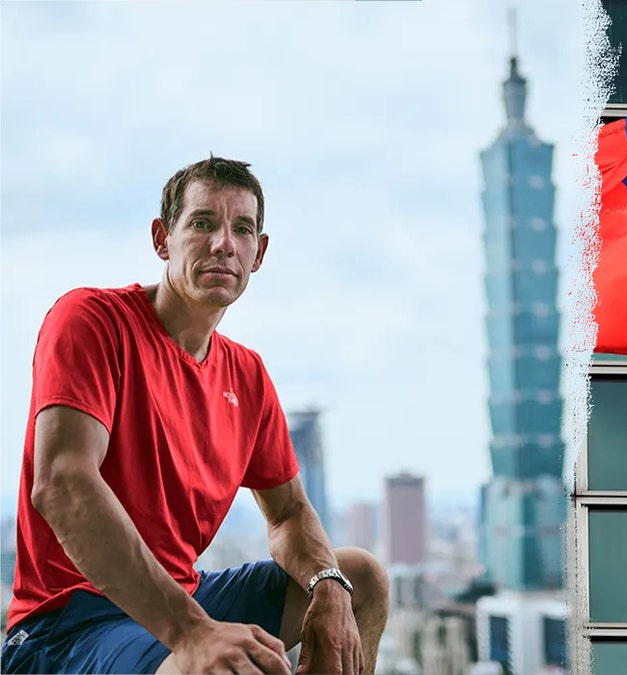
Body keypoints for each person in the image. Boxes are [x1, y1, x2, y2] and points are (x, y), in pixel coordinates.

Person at [1, 157, 389, 674]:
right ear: (162, 239)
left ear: (258, 253)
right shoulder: (92, 320)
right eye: (203, 223)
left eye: (242, 229)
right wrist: (192, 634)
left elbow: (290, 513)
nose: (224, 244)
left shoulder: (246, 374)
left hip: (184, 598)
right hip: (70, 626)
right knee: (214, 665)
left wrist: (327, 584)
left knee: (360, 579)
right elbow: (62, 484)